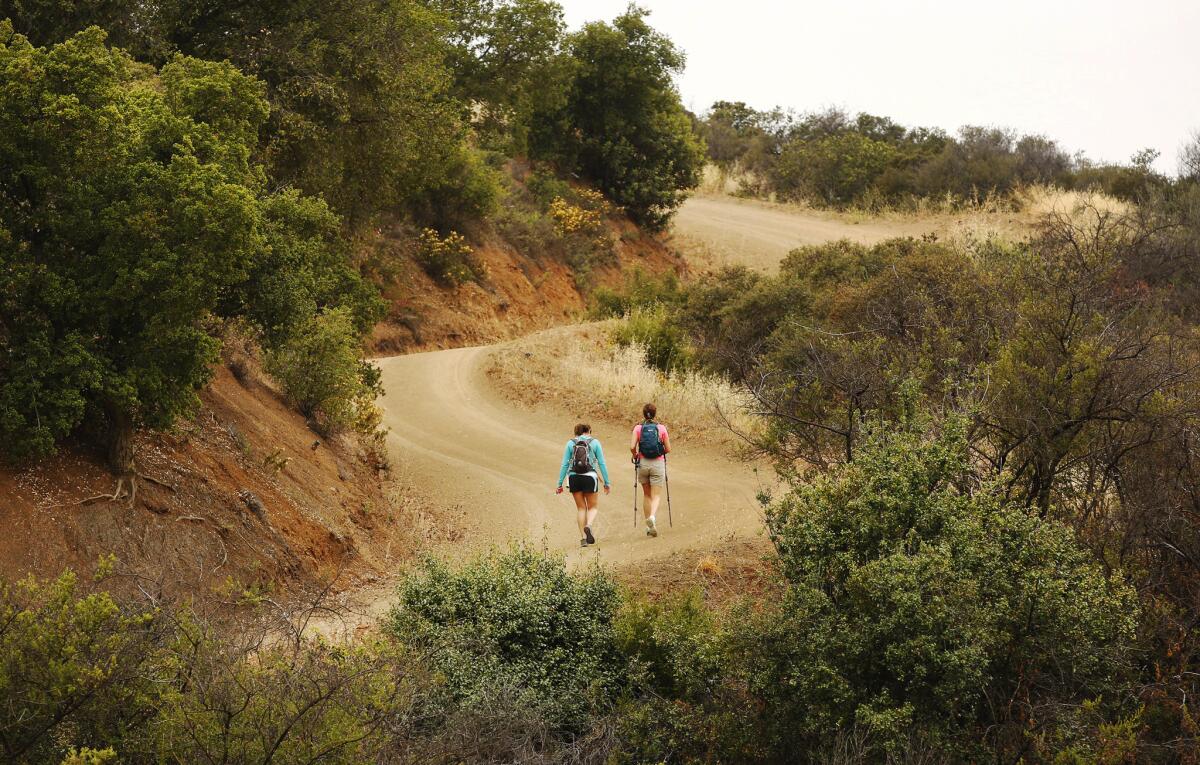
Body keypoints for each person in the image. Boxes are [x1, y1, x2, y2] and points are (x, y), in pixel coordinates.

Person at [556, 423, 610, 546]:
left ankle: (583, 539)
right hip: (590, 477)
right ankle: (589, 525)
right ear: (589, 431)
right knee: (593, 507)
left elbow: (564, 464)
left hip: (574, 478)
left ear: (576, 432)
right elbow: (602, 463)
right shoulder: (595, 442)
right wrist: (607, 482)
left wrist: (559, 484)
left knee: (581, 508)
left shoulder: (570, 443)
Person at [630, 403, 670, 537]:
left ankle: (649, 528)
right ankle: (652, 517)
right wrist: (659, 451)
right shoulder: (661, 428)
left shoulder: (638, 428)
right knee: (656, 495)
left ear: (643, 414)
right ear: (655, 413)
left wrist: (635, 455)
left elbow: (632, 446)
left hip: (643, 464)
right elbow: (668, 449)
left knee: (646, 495)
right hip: (657, 464)